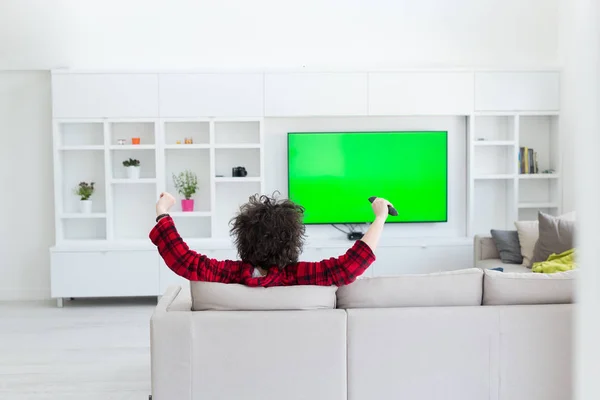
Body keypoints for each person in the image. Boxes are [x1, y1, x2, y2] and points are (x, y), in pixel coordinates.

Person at [150, 192, 393, 287]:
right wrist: (380, 218)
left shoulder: (229, 275)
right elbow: (349, 266)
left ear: (242, 238)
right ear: (294, 241)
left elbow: (183, 260)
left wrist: (163, 212)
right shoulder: (302, 277)